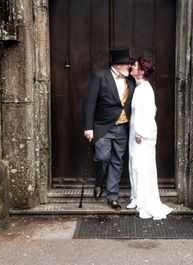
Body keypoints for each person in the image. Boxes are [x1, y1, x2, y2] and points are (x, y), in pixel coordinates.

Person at [82, 47, 135, 210]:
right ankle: (99, 182)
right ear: (119, 65)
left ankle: (112, 196)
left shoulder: (130, 79)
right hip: (102, 126)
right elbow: (89, 102)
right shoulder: (100, 76)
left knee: (117, 160)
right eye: (128, 64)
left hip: (123, 127)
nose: (130, 67)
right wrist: (88, 127)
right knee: (103, 157)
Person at [127, 57, 173, 220]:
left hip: (141, 136)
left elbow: (145, 115)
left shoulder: (145, 89)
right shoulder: (140, 88)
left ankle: (144, 200)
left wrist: (140, 134)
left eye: (135, 66)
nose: (131, 67)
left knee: (141, 167)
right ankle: (137, 197)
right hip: (136, 134)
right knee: (134, 165)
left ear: (141, 72)